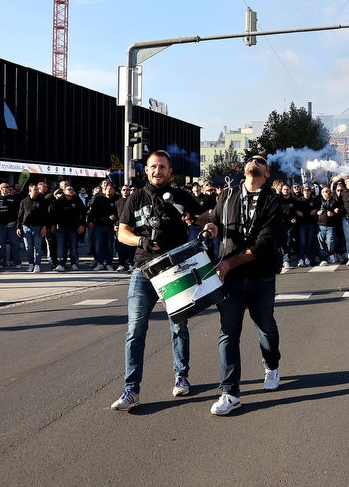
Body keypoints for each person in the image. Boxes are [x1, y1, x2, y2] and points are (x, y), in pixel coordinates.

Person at [111, 150, 212, 411]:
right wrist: (141, 241)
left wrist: (194, 218)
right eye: (153, 166)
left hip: (176, 269)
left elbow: (207, 217)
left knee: (179, 326)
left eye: (163, 167)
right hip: (143, 270)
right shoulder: (135, 197)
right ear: (146, 170)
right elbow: (123, 233)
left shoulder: (180, 196)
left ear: (170, 171)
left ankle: (182, 376)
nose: (158, 171)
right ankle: (131, 390)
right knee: (135, 330)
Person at [203, 155, 283, 416]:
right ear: (246, 169)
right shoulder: (227, 195)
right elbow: (215, 218)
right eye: (251, 159)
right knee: (229, 332)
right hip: (232, 279)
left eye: (261, 162)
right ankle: (229, 392)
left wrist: (229, 263)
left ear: (266, 173)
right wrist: (211, 228)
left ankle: (271, 365)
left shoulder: (273, 200)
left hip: (260, 275)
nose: (254, 162)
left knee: (266, 328)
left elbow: (262, 244)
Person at [16, 183, 49, 272]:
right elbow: (20, 214)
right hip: (26, 227)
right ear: (30, 190)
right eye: (35, 190)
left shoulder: (42, 201)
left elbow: (45, 215)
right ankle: (31, 264)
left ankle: (37, 264)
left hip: (38, 227)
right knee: (28, 247)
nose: (37, 191)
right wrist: (18, 227)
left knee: (37, 247)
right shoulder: (24, 201)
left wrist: (44, 227)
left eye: (38, 189)